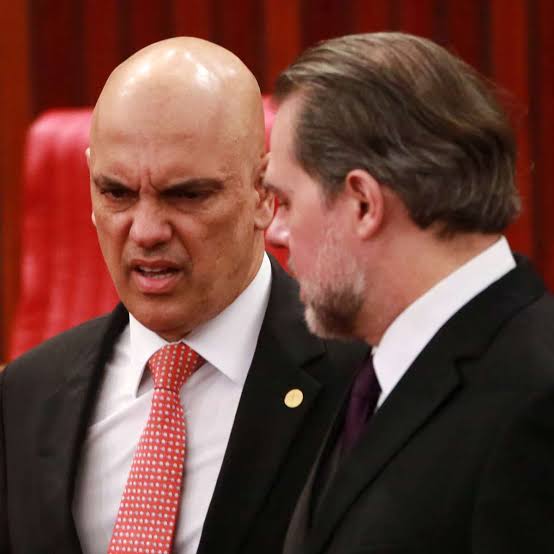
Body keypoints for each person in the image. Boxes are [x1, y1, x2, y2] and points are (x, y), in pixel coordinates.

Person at [0, 37, 365, 554]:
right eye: (117, 193)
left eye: (187, 195)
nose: (146, 231)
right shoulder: (24, 394)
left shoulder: (361, 381)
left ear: (264, 192)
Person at [264, 32, 554, 554]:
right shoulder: (363, 372)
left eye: (284, 201)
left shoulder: (537, 397)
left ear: (362, 203)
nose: (276, 233)